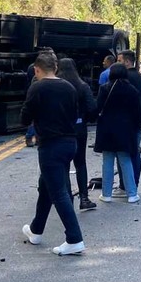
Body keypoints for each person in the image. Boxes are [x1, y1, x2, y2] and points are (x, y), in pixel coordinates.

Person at [21, 51, 85, 256]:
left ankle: (74, 238)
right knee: (46, 186)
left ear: (37, 69)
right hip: (70, 142)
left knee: (59, 192)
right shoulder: (69, 86)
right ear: (55, 68)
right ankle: (36, 230)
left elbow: (25, 117)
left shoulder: (37, 87)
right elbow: (75, 114)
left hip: (50, 145)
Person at [94, 64, 141, 204]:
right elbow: (137, 113)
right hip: (125, 131)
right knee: (125, 161)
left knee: (107, 162)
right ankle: (132, 194)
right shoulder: (132, 90)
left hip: (107, 130)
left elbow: (98, 107)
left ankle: (106, 194)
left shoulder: (105, 88)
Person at [56, 58, 98, 212]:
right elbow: (92, 107)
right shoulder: (82, 86)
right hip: (79, 128)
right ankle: (84, 198)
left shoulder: (56, 86)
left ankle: (67, 198)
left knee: (64, 165)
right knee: (80, 163)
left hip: (61, 129)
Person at [112, 50, 141, 196]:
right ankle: (134, 184)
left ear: (127, 62)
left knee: (123, 156)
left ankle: (125, 186)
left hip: (125, 123)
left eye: (119, 61)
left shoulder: (125, 78)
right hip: (138, 121)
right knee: (134, 154)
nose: (117, 64)